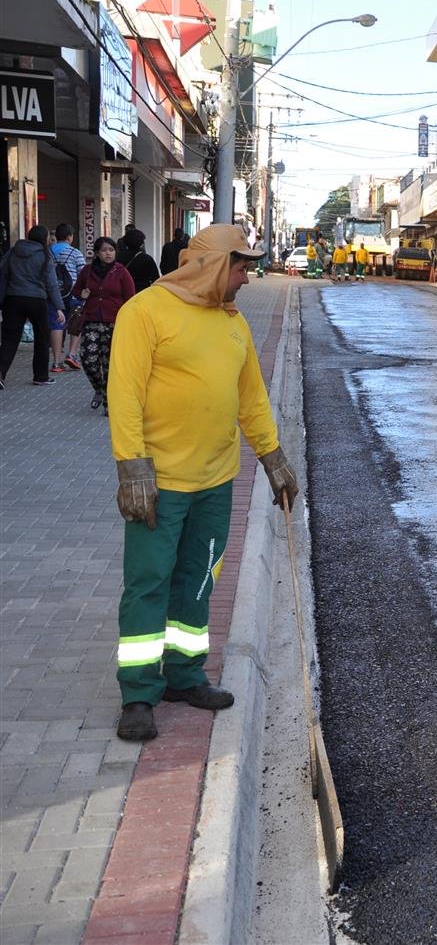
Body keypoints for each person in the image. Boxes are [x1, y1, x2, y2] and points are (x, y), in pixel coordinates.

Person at [108, 225, 298, 741]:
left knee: (197, 580)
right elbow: (123, 394)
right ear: (213, 265)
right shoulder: (144, 312)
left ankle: (186, 674)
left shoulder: (231, 323)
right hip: (160, 483)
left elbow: (251, 398)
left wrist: (272, 456)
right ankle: (139, 692)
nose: (248, 275)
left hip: (216, 483)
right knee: (148, 583)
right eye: (241, 266)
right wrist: (132, 468)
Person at [72, 236, 137, 412]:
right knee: (88, 360)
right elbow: (76, 290)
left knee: (110, 364)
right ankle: (100, 389)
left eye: (111, 250)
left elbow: (131, 298)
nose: (108, 253)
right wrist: (82, 294)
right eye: (104, 250)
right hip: (91, 321)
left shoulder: (121, 271)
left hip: (114, 323)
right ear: (97, 253)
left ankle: (110, 401)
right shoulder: (87, 271)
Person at [0, 224, 63, 389]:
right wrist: (59, 306)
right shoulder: (45, 254)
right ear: (44, 238)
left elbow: (2, 272)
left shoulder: (14, 251)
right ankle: (41, 376)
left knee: (9, 339)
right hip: (37, 300)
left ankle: (0, 374)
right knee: (42, 338)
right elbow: (51, 283)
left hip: (12, 299)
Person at [51, 223, 87, 372]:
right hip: (72, 293)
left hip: (53, 294)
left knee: (56, 325)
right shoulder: (75, 252)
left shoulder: (47, 252)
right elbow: (83, 273)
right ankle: (71, 355)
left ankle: (56, 362)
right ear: (69, 237)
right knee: (76, 323)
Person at [118, 228, 161, 292]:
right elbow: (156, 279)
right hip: (142, 292)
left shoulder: (118, 257)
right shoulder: (147, 259)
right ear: (141, 244)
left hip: (123, 290)